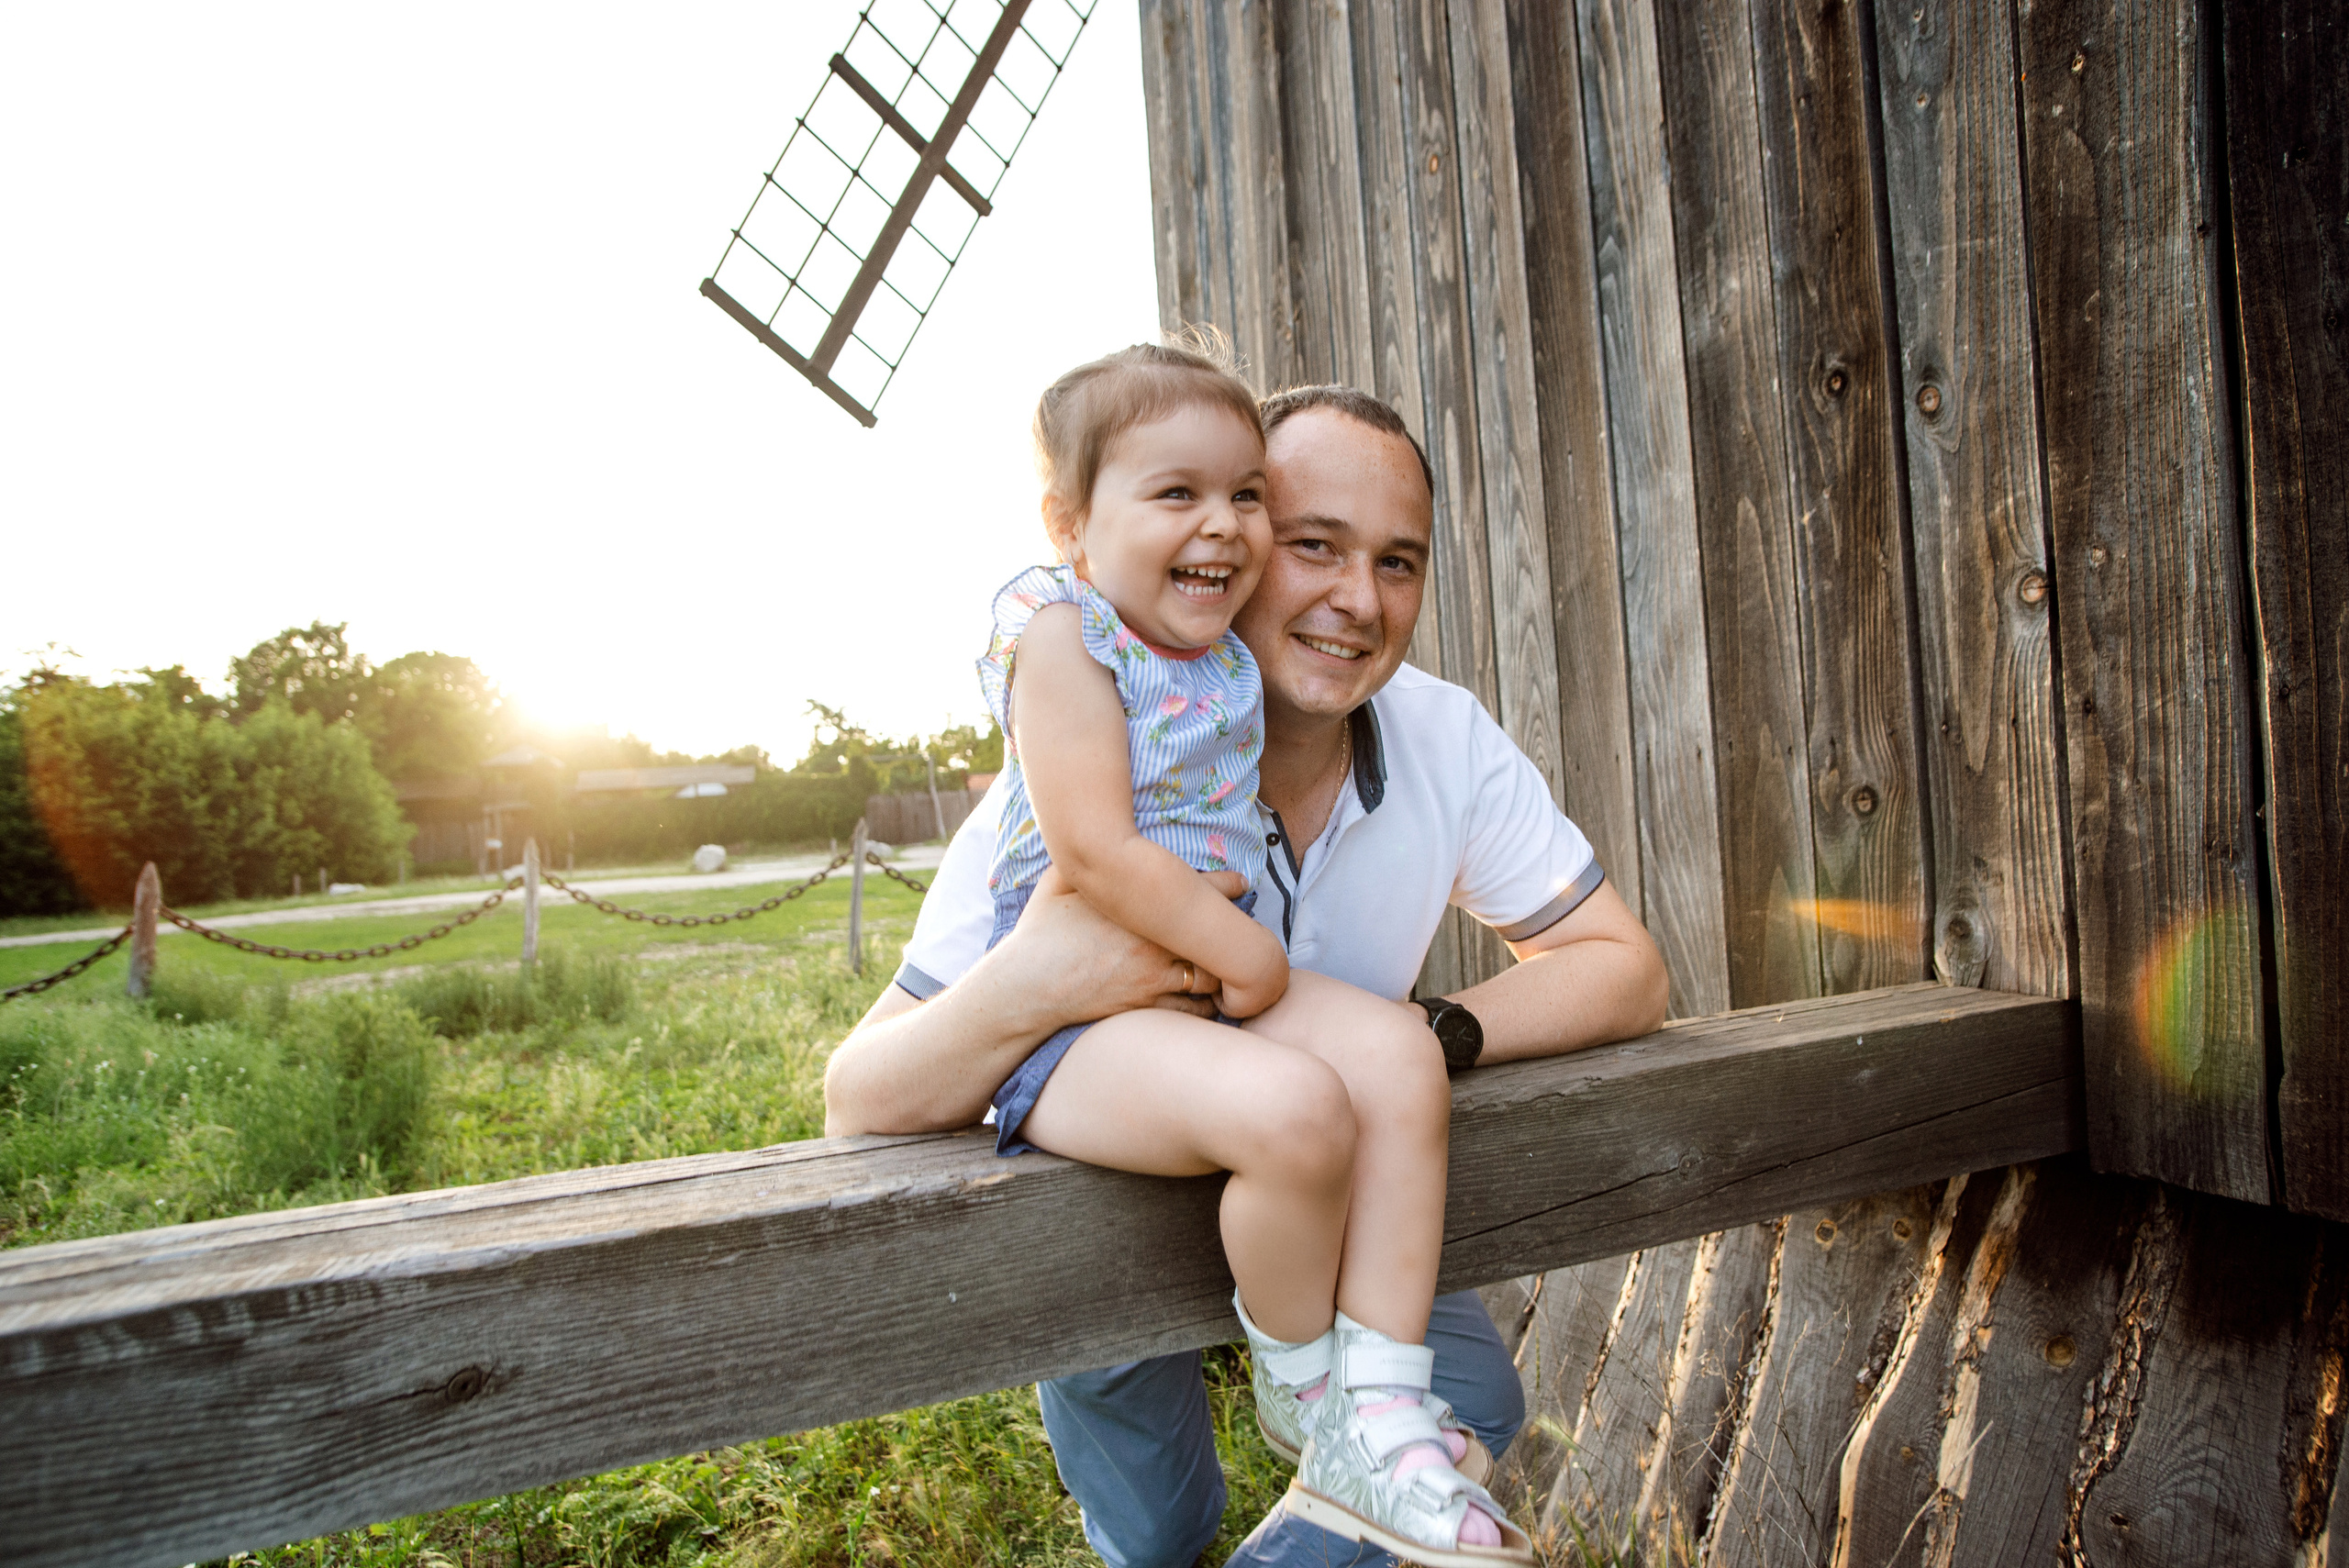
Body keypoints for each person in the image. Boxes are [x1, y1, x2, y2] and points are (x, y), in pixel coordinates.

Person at [825, 382, 1669, 1568]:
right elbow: (859, 1092)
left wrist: (1419, 1036)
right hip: (1114, 1202)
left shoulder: (1440, 737)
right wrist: (1041, 980)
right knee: (1163, 1526)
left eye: (1397, 561)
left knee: (1470, 1406)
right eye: (1314, 543)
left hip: (1326, 1193)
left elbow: (1623, 968)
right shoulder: (1094, 754)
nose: (1356, 599)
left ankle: (1341, 1453)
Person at [967, 338, 1526, 1565]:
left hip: (1196, 1013)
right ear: (1070, 523)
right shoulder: (1069, 648)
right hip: (1081, 1026)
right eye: (1178, 494)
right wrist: (1253, 963)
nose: (1221, 526)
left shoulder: (1222, 656)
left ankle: (1376, 1408)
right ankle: (1308, 1393)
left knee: (1390, 1053)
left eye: (1243, 498)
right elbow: (1102, 856)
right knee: (1294, 1111)